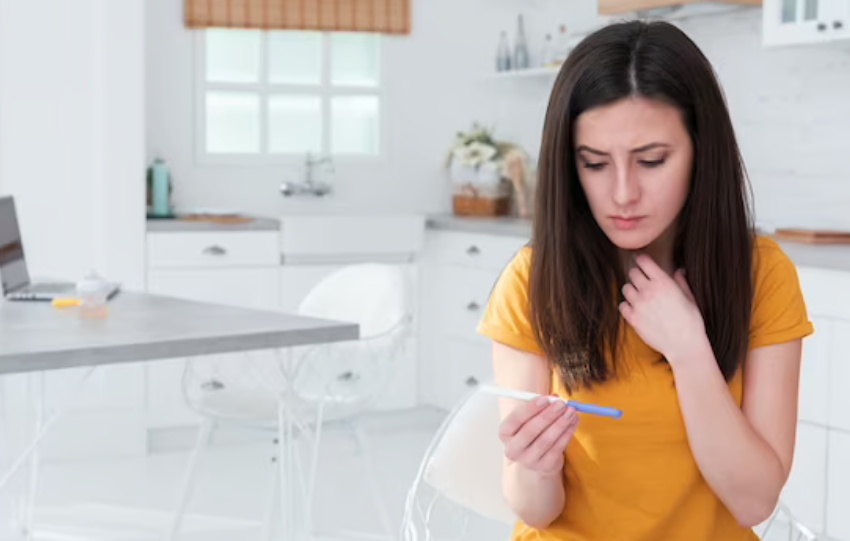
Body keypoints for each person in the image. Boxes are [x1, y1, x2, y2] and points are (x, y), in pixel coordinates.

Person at [476, 19, 814, 541]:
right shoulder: (533, 280)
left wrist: (688, 349)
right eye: (594, 164)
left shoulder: (762, 274)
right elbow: (536, 510)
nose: (623, 193)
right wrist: (533, 466)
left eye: (651, 161)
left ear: (702, 151)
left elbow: (753, 501)